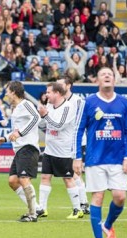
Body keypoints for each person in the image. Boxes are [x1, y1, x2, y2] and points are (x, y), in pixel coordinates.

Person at [73, 67, 127, 238]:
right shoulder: (89, 102)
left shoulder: (123, 102)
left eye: (110, 74)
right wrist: (77, 157)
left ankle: (107, 225)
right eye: (103, 74)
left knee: (120, 197)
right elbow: (79, 130)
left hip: (118, 158)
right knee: (98, 197)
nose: (107, 76)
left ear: (114, 80)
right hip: (95, 158)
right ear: (97, 81)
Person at [36, 81, 83, 219]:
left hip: (63, 150)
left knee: (68, 178)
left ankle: (77, 209)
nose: (46, 95)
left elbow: (59, 125)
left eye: (49, 92)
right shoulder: (49, 105)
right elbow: (43, 124)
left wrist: (45, 116)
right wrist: (42, 116)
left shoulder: (68, 107)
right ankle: (42, 208)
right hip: (50, 149)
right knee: (45, 177)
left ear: (57, 93)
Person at [0, 81, 40, 222]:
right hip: (19, 149)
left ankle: (32, 214)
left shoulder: (26, 104)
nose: (6, 94)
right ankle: (36, 208)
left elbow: (36, 117)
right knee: (13, 181)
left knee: (23, 179)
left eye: (7, 91)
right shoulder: (16, 108)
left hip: (28, 147)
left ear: (14, 91)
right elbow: (16, 131)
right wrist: (5, 138)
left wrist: (20, 133)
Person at [57, 76, 90, 215]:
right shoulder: (59, 101)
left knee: (75, 173)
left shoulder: (78, 101)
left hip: (77, 141)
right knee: (74, 174)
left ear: (68, 85)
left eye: (60, 85)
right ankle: (84, 203)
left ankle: (83, 204)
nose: (57, 87)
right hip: (65, 142)